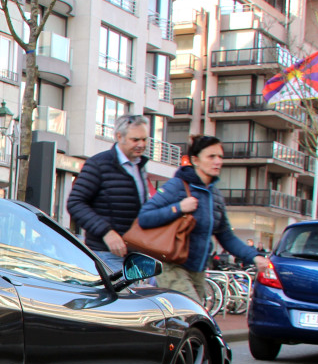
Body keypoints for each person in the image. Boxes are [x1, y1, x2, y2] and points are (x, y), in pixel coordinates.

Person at [137, 134, 269, 304]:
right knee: (191, 315)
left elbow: (226, 236)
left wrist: (254, 257)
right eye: (211, 156)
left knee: (192, 321)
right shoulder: (177, 186)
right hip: (172, 266)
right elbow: (145, 218)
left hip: (198, 271)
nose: (217, 162)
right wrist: (179, 208)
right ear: (195, 160)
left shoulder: (215, 195)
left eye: (220, 157)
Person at [67, 114, 152, 273]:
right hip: (106, 253)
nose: (141, 144)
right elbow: (75, 203)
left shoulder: (139, 167)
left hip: (134, 255)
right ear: (119, 136)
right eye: (135, 140)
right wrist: (106, 232)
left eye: (144, 139)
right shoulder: (98, 164)